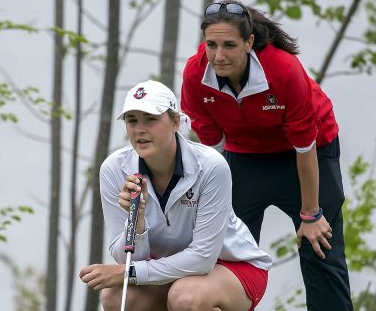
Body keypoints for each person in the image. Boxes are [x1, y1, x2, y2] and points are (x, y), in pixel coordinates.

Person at [180, 0, 353, 311]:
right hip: (244, 156)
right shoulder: (195, 74)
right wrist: (212, 199)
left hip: (307, 152)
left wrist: (311, 214)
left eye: (229, 45)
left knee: (319, 248)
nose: (219, 56)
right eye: (211, 45)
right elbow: (211, 146)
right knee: (222, 248)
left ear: (248, 42)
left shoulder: (283, 70)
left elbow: (304, 144)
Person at [79, 79, 272, 311]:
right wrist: (137, 223)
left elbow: (202, 258)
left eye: (151, 119)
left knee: (185, 297)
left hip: (232, 264)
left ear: (175, 122)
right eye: (132, 120)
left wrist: (128, 273)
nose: (139, 129)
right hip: (170, 268)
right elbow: (127, 259)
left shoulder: (211, 166)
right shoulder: (113, 169)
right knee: (115, 296)